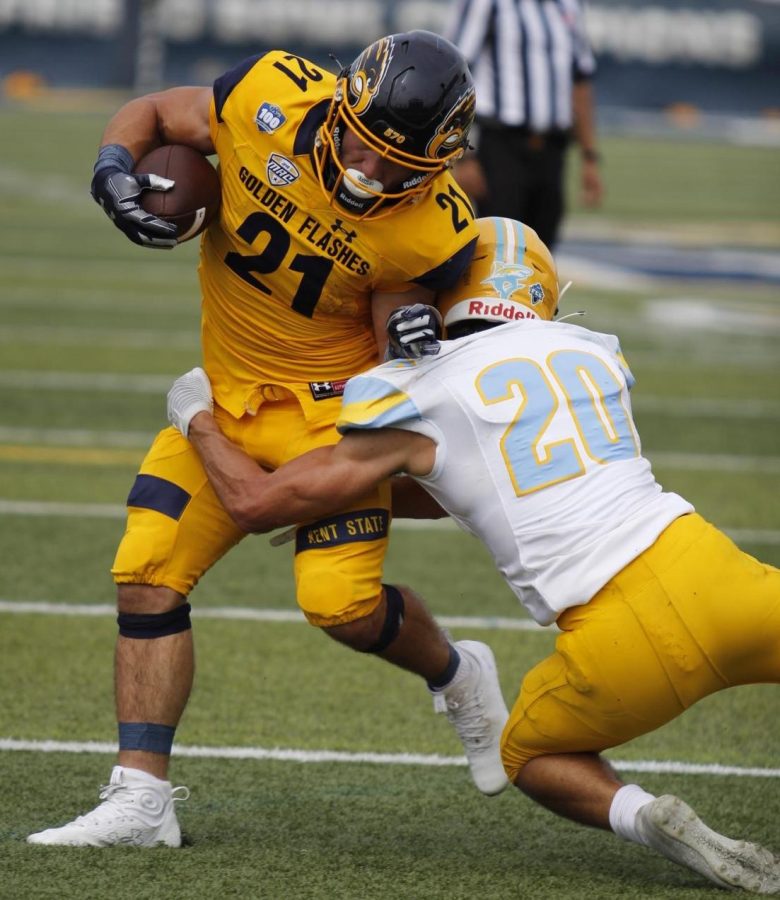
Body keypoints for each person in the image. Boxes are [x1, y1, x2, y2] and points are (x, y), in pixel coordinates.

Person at [161, 216, 779, 893]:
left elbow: (254, 503)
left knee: (528, 754)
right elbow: (489, 475)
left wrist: (195, 417)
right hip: (718, 573)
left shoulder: (418, 389)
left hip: (619, 638)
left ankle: (644, 816)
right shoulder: (591, 350)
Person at [27, 31, 512, 849]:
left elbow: (393, 324)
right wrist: (115, 166)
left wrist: (418, 337)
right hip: (230, 392)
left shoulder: (430, 224)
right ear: (340, 105)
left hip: (334, 418)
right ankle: (142, 798)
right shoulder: (269, 95)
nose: (372, 170)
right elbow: (151, 111)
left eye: (401, 164)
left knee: (342, 608)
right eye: (363, 142)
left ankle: (459, 674)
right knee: (146, 572)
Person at [445, 0, 604, 248]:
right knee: (498, 248)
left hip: (552, 148)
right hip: (501, 146)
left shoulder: (568, 6)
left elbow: (580, 79)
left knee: (542, 250)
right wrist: (462, 157)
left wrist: (589, 156)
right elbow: (455, 72)